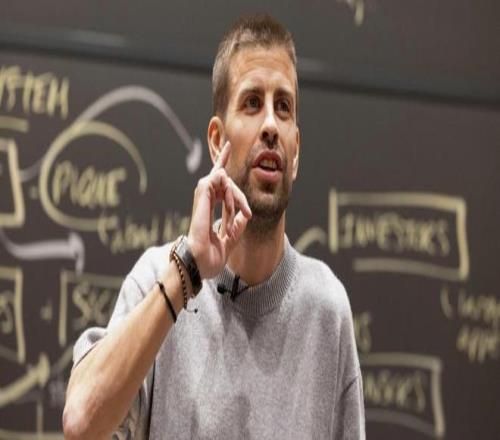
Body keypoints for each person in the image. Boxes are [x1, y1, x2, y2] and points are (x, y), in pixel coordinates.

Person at [63, 14, 365, 440]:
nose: (270, 125)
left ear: (296, 151)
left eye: (283, 107)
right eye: (252, 103)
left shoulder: (327, 309)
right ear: (217, 140)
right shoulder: (158, 279)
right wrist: (186, 272)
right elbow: (81, 423)